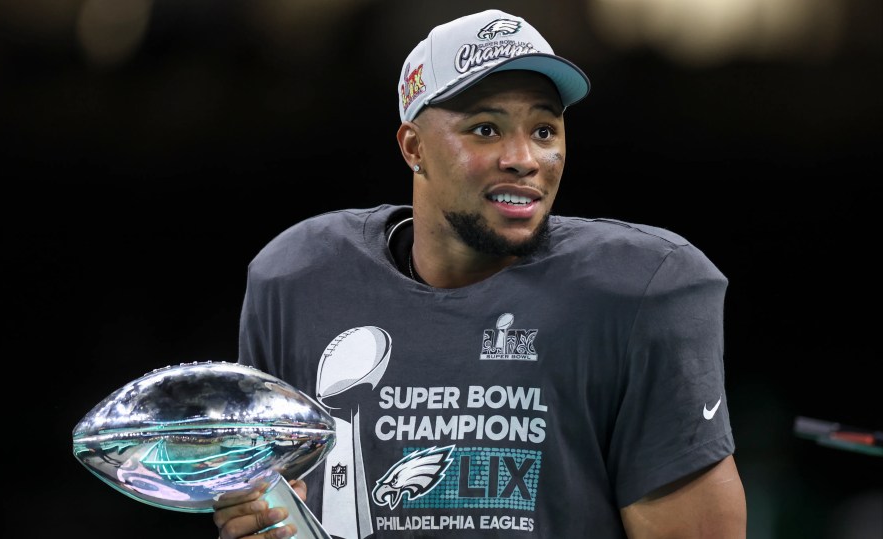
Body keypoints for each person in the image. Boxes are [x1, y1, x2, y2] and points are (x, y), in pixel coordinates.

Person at [213, 8, 746, 539]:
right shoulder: (300, 281)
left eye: (544, 130)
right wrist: (256, 522)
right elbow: (266, 502)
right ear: (414, 147)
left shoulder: (641, 289)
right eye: (486, 129)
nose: (524, 158)